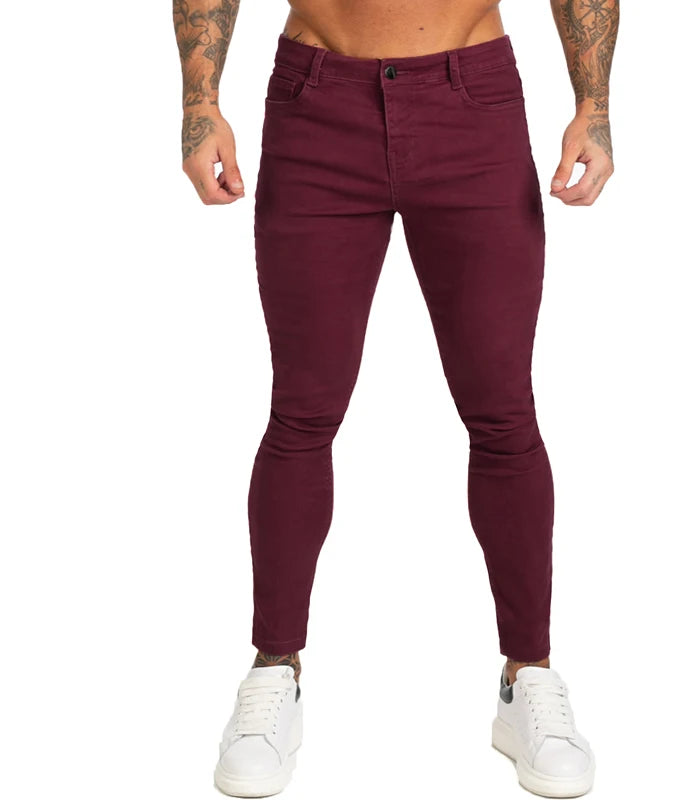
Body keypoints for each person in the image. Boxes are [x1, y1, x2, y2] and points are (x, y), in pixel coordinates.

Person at [174, 1, 618, 796]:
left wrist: (595, 104)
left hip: (471, 100)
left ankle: (528, 675)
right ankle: (275, 672)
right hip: (317, 101)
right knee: (302, 411)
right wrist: (199, 104)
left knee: (503, 411)